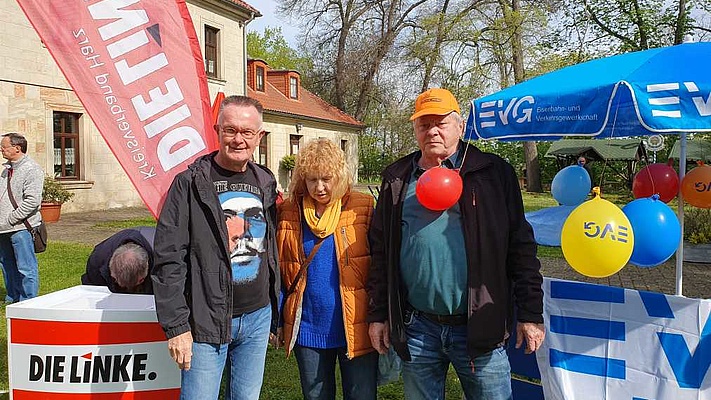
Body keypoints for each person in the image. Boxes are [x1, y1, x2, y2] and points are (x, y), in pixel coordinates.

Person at [366, 88, 545, 400]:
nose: (432, 130)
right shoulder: (397, 177)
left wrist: (530, 314)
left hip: (479, 327)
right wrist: (379, 313)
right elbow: (381, 252)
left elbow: (521, 246)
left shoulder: (492, 173)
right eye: (424, 124)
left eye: (441, 123)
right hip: (418, 326)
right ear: (415, 130)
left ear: (460, 127)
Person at [151, 95, 280, 400]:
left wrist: (275, 311)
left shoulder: (265, 180)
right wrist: (176, 326)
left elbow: (270, 247)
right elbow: (169, 259)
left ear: (259, 137)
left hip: (258, 317)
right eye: (230, 130)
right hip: (205, 320)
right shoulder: (190, 183)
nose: (238, 139)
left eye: (247, 132)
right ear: (217, 130)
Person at [276, 138, 378, 399]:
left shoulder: (362, 206)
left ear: (340, 176)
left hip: (355, 324)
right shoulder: (289, 211)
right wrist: (278, 318)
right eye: (312, 179)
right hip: (309, 327)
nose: (319, 188)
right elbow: (280, 269)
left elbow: (379, 265)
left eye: (326, 178)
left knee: (361, 395)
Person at [0, 132, 43, 303]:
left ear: (17, 148)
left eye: (4, 146)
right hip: (3, 228)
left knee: (26, 267)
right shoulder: (6, 170)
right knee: (7, 265)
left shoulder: (32, 169)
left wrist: (11, 219)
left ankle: (29, 301)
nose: (1, 149)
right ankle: (13, 297)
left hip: (20, 228)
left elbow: (32, 201)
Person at [81, 226, 155, 294]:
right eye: (115, 280)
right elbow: (92, 293)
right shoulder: (97, 261)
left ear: (142, 279)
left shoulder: (163, 260)